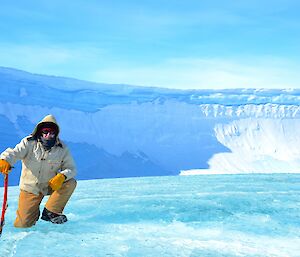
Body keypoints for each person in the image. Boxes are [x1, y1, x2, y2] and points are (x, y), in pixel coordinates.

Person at [0, 114, 77, 227]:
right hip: (30, 189)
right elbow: (14, 153)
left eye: (51, 133)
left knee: (70, 182)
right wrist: (4, 160)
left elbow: (71, 168)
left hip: (51, 185)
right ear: (40, 132)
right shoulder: (28, 143)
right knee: (23, 225)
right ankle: (32, 214)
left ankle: (51, 212)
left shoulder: (62, 148)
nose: (48, 135)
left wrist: (62, 176)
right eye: (45, 132)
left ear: (56, 134)